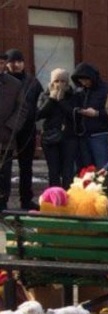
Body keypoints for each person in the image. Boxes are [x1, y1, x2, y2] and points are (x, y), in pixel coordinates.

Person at [0, 49, 42, 211]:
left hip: (25, 129)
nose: (16, 65)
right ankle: (3, 200)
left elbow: (31, 106)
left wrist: (16, 123)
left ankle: (26, 199)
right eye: (12, 61)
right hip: (5, 132)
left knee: (26, 166)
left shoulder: (31, 82)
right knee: (4, 167)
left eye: (19, 61)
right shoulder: (6, 81)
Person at [37, 68, 79, 188]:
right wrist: (51, 99)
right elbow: (39, 114)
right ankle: (55, 197)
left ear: (67, 83)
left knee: (68, 170)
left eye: (62, 81)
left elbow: (74, 114)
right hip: (50, 136)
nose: (59, 84)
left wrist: (61, 101)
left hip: (69, 137)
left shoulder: (73, 95)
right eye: (56, 81)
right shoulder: (44, 94)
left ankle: (67, 197)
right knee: (53, 170)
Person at [70, 62, 108, 170]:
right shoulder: (81, 91)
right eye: (81, 81)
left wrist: (96, 113)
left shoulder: (106, 90)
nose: (84, 83)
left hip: (100, 134)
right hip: (83, 134)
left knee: (102, 167)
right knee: (86, 169)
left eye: (86, 80)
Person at [0, 52, 28, 208]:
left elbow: (22, 108)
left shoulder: (14, 84)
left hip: (5, 138)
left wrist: (11, 127)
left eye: (2, 63)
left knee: (4, 174)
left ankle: (2, 205)